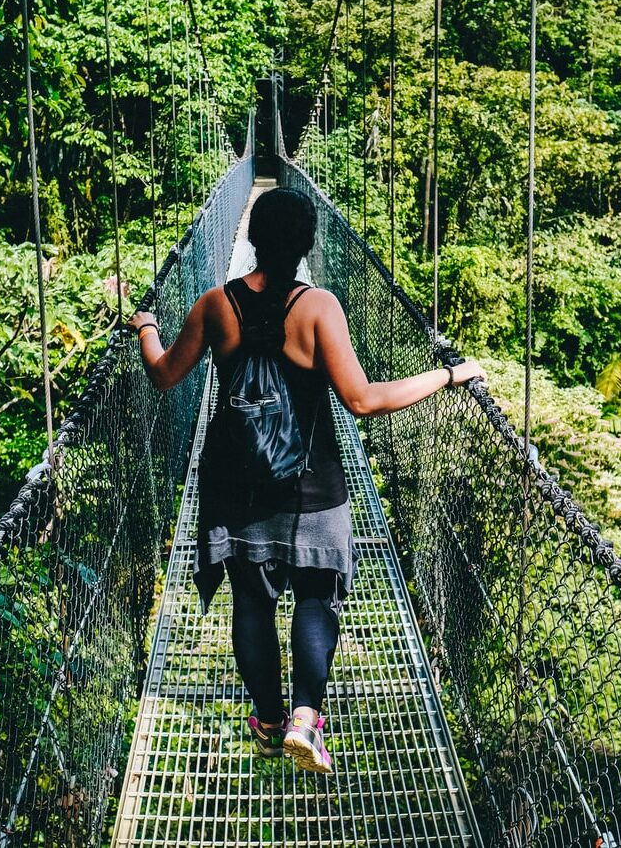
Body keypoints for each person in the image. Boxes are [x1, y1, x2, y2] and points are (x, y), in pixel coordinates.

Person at [128, 187, 484, 775]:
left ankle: (267, 720)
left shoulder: (217, 304)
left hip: (236, 484)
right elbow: (363, 401)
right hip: (312, 485)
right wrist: (448, 375)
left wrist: (146, 327)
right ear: (307, 245)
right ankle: (303, 719)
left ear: (249, 240)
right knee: (316, 595)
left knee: (251, 601)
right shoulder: (320, 307)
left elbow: (165, 375)